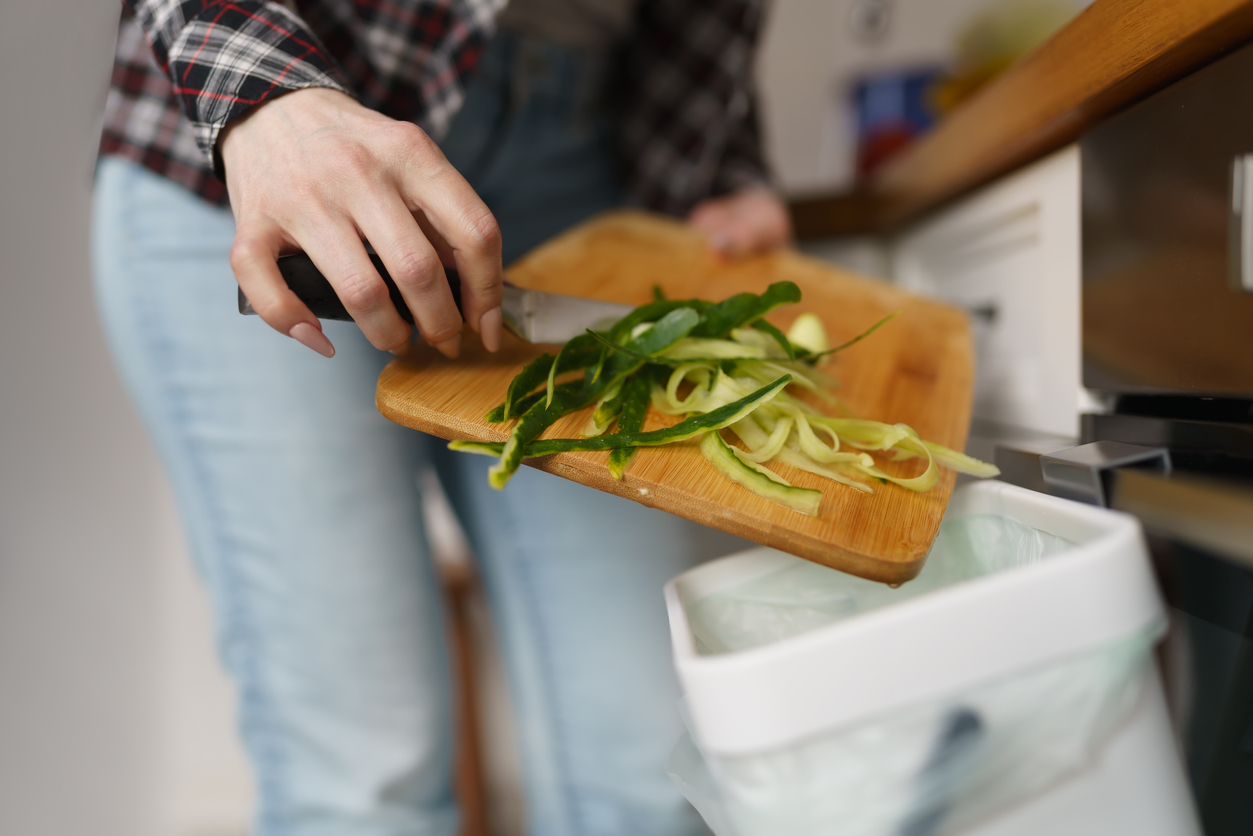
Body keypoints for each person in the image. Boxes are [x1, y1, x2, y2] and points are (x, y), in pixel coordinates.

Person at [94, 1, 791, 833]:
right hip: (271, 148)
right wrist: (263, 95)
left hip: (575, 165)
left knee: (649, 770)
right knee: (365, 783)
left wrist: (722, 169)